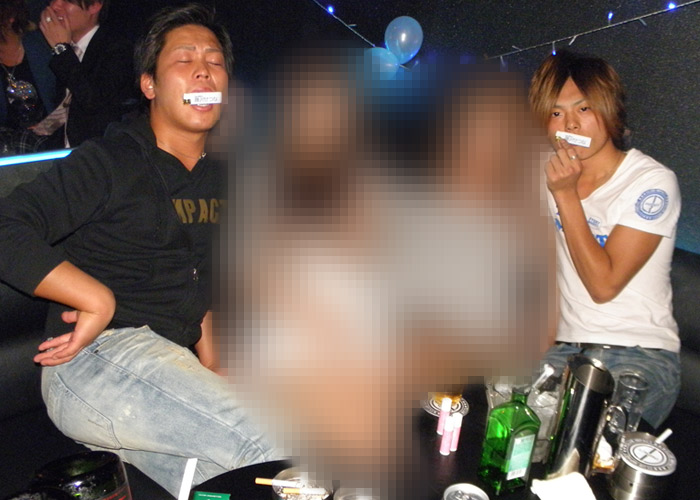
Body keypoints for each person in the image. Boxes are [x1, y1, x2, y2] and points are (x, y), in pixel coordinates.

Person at [0, 4, 274, 495]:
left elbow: (203, 279)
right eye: (184, 59)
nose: (203, 71)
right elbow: (7, 226)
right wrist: (95, 299)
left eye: (214, 61)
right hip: (94, 360)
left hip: (168, 370)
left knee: (234, 484)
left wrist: (216, 367)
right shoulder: (109, 161)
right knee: (278, 443)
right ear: (149, 85)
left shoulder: (225, 176)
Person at [530, 50, 681, 428]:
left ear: (608, 108)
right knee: (507, 426)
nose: (570, 124)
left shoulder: (651, 182)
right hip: (566, 353)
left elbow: (603, 285)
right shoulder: (544, 172)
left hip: (640, 355)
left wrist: (565, 195)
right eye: (556, 113)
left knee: (580, 443)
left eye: (583, 109)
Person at [34, 0, 135, 147]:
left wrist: (60, 49)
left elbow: (94, 101)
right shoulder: (57, 48)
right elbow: (66, 106)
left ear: (94, 5)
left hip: (99, 152)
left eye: (67, 1)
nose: (55, 6)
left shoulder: (118, 48)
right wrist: (43, 128)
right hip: (64, 151)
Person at [0, 0, 57, 155]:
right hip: (8, 141)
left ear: (10, 16)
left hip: (50, 133)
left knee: (27, 142)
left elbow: (69, 99)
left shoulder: (41, 46)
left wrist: (48, 125)